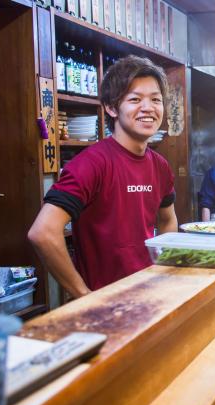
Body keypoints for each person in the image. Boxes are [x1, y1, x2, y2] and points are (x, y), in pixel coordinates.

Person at [28, 55, 178, 297]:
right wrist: (84, 296)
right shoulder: (90, 164)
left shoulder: (161, 166)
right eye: (135, 99)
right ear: (111, 107)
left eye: (156, 100)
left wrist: (166, 269)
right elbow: (42, 233)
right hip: (105, 300)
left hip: (149, 292)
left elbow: (168, 220)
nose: (148, 108)